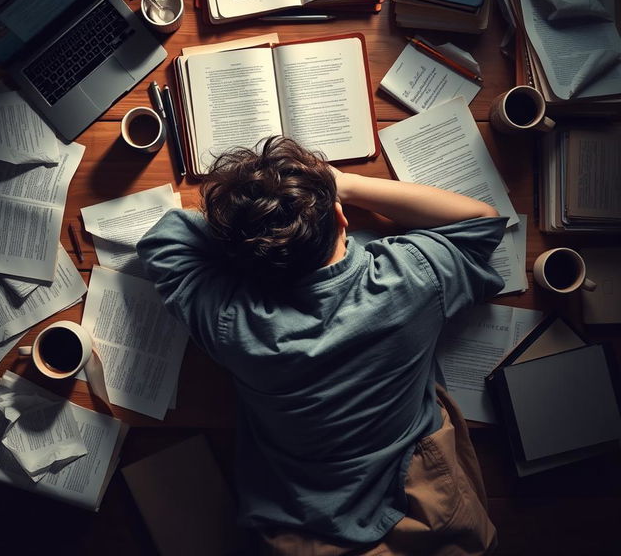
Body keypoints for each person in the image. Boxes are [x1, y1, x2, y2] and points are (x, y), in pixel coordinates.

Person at [137, 136, 507, 555]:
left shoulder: (232, 324)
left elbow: (165, 238)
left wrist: (251, 223)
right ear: (341, 217)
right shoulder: (411, 277)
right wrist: (341, 182)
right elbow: (481, 219)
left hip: (304, 536)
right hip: (423, 517)